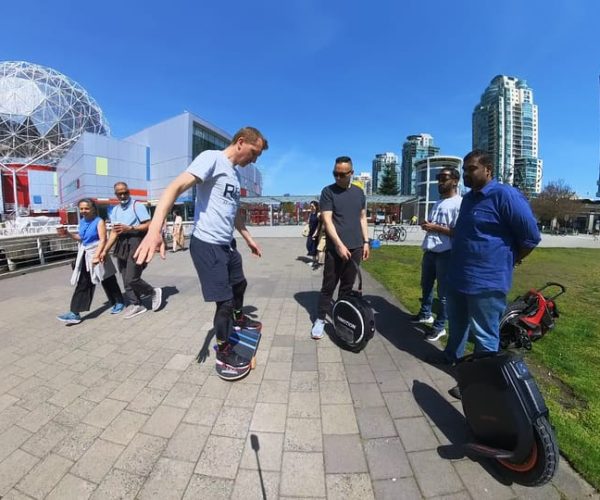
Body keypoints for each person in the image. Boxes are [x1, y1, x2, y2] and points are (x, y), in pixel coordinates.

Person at [133, 127, 268, 370]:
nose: (255, 159)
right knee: (224, 302)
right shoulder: (212, 159)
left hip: (227, 245)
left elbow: (233, 213)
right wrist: (154, 229)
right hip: (207, 245)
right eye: (254, 152)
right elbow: (174, 188)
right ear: (240, 143)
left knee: (240, 284)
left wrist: (248, 238)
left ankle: (238, 317)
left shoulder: (234, 176)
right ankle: (224, 350)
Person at [436, 150, 541, 393]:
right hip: (459, 275)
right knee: (457, 323)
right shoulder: (469, 198)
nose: (465, 174)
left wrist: (510, 259)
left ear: (488, 170)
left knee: (484, 334)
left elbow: (531, 237)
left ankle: (478, 384)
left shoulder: (504, 195)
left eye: (471, 169)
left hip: (487, 280)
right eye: (464, 170)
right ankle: (451, 356)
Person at [311, 156, 370, 339]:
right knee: (328, 286)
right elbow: (327, 220)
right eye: (335, 173)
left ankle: (341, 316)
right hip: (335, 249)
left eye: (342, 174)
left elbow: (362, 218)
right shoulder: (328, 192)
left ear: (351, 173)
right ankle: (320, 319)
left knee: (347, 286)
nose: (338, 177)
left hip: (356, 248)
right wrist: (338, 244)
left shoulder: (359, 193)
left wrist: (366, 241)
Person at [412, 167, 462, 341]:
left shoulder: (459, 203)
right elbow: (436, 225)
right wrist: (427, 225)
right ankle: (425, 314)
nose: (440, 181)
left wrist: (435, 227)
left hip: (446, 253)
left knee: (444, 294)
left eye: (444, 178)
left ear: (455, 181)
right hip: (430, 251)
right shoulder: (438, 202)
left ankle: (440, 326)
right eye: (438, 178)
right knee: (426, 286)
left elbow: (458, 232)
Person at [57, 198, 125, 324]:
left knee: (108, 279)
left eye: (86, 208)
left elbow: (103, 239)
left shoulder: (99, 221)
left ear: (93, 208)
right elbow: (81, 238)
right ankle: (74, 312)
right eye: (81, 208)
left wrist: (97, 255)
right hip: (85, 253)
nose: (83, 211)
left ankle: (119, 301)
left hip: (97, 252)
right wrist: (67, 233)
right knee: (84, 282)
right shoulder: (82, 221)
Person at [100, 182, 162, 320]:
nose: (123, 195)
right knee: (124, 278)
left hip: (136, 242)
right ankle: (137, 304)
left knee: (132, 277)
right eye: (119, 193)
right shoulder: (115, 210)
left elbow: (149, 224)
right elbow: (114, 233)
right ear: (115, 194)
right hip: (121, 244)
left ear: (129, 191)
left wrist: (131, 228)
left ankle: (152, 292)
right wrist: (105, 250)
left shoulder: (137, 206)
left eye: (125, 192)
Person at [305, 200, 320, 269]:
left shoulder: (318, 214)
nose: (311, 207)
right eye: (310, 206)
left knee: (314, 247)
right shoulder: (311, 213)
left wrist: (316, 233)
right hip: (310, 232)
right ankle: (316, 261)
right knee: (308, 245)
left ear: (316, 206)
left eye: (312, 206)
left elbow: (319, 225)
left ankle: (315, 262)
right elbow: (308, 221)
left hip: (315, 233)